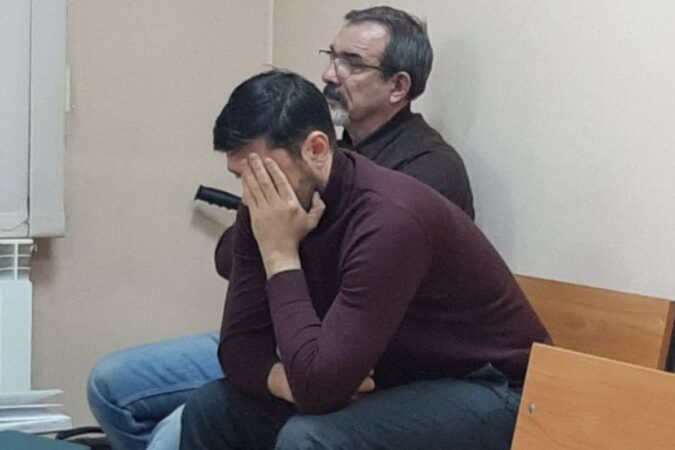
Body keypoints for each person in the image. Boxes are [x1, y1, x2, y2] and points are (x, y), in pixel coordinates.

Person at [87, 6, 475, 450]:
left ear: (398, 86)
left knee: (179, 433)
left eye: (351, 63)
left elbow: (345, 298)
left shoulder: (421, 175)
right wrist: (282, 375)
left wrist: (281, 247)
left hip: (372, 358)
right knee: (114, 384)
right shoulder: (309, 155)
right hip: (287, 338)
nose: (329, 73)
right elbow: (231, 266)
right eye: (332, 56)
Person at [179, 69, 549, 450]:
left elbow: (319, 387)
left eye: (262, 174)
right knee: (211, 409)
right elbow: (238, 347)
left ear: (316, 149)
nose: (251, 193)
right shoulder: (265, 209)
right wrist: (289, 383)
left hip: (495, 389)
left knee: (309, 439)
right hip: (395, 378)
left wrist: (280, 255)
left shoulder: (390, 220)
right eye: (241, 177)